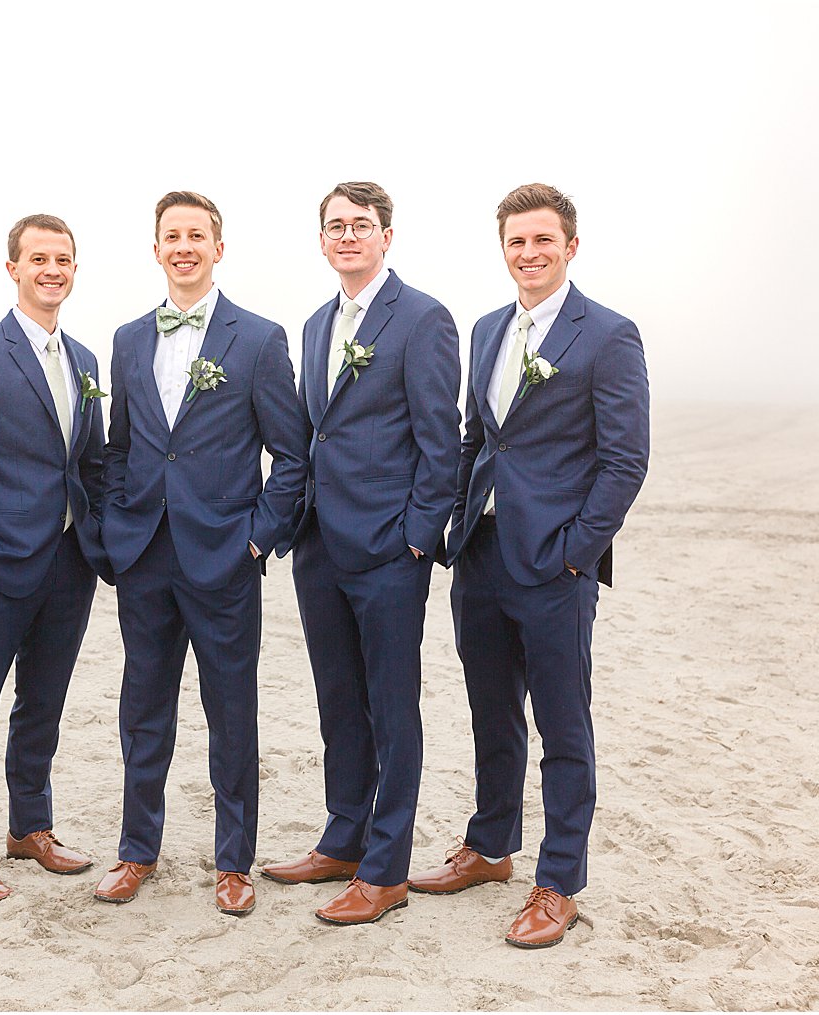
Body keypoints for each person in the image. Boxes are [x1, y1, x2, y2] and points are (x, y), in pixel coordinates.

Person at [410, 183, 649, 948]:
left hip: (555, 568)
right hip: (480, 557)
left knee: (563, 724)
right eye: (517, 241)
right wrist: (456, 524)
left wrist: (577, 552)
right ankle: (489, 847)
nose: (529, 253)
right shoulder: (486, 330)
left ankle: (559, 882)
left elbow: (625, 460)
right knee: (491, 712)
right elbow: (478, 437)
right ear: (503, 248)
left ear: (570, 247)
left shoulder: (608, 335)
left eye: (543, 240)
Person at [93, 191, 308, 916]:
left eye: (197, 235)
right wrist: (121, 529)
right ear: (156, 249)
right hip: (145, 555)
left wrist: (255, 536)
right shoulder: (127, 339)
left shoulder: (258, 338)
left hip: (224, 558)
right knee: (142, 709)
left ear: (219, 247)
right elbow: (120, 446)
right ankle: (136, 851)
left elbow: (293, 455)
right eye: (171, 236)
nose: (183, 246)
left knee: (231, 710)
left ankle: (233, 861)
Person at [261, 182, 461, 925]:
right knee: (337, 701)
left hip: (386, 552)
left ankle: (385, 868)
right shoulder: (316, 324)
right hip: (320, 546)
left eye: (362, 225)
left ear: (386, 236)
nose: (348, 235)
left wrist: (413, 537)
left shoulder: (422, 318)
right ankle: (343, 837)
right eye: (335, 226)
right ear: (322, 241)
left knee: (390, 705)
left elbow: (440, 444)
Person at [0, 214, 111, 902]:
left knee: (43, 703)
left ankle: (30, 826)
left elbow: (90, 461)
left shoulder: (85, 362)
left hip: (68, 566)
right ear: (13, 268)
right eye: (38, 258)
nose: (52, 269)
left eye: (62, 259)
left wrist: (93, 544)